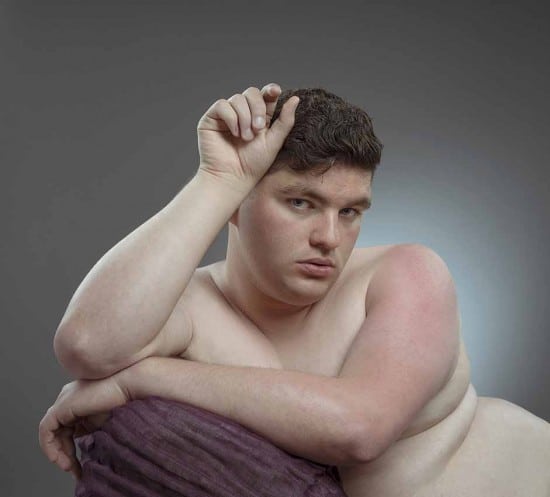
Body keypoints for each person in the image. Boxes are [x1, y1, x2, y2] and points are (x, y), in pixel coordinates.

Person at [39, 83, 550, 496]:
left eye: (349, 212)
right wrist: (217, 180)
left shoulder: (405, 273)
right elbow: (86, 346)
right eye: (301, 203)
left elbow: (359, 429)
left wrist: (141, 379)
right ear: (237, 205)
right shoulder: (197, 306)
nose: (329, 237)